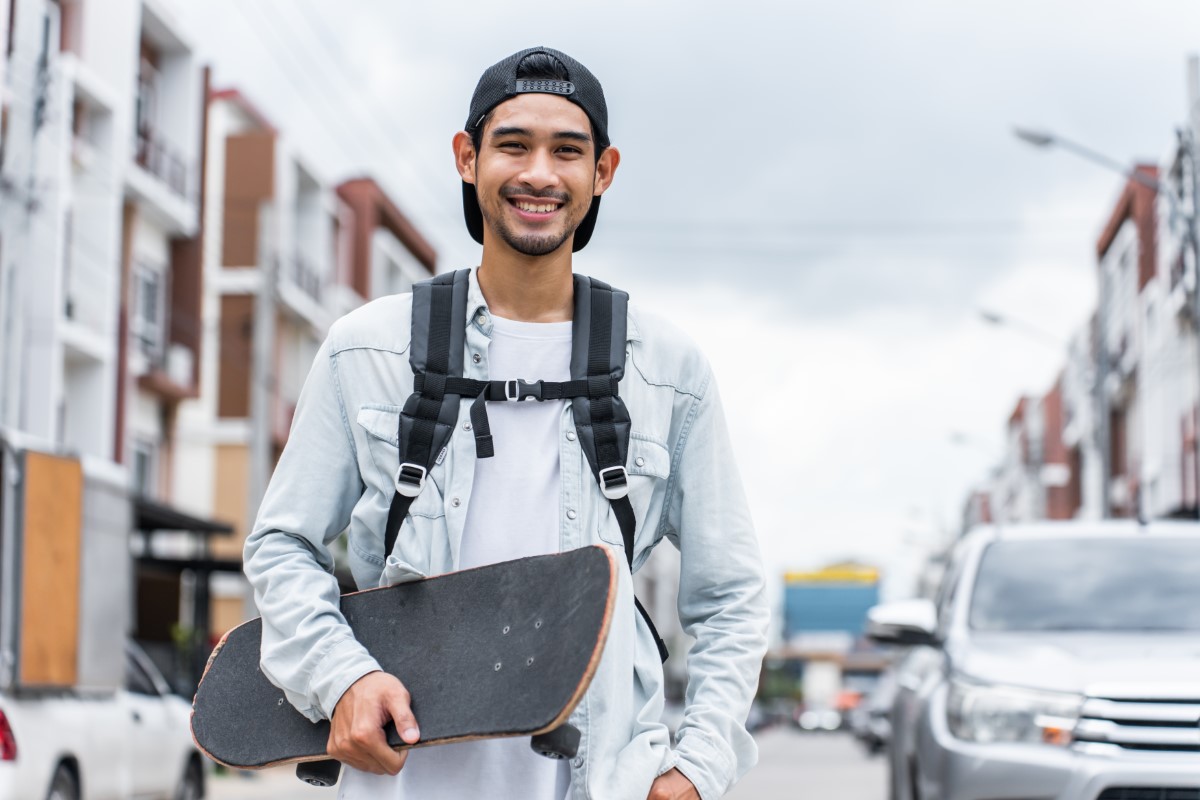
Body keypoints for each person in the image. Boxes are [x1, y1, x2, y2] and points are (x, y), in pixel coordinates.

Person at [243, 46, 768, 800]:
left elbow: (731, 596)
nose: (540, 175)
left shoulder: (666, 370)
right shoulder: (368, 348)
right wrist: (342, 676)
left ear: (603, 172)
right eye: (513, 145)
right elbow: (281, 544)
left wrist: (696, 768)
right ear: (468, 157)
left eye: (568, 151)